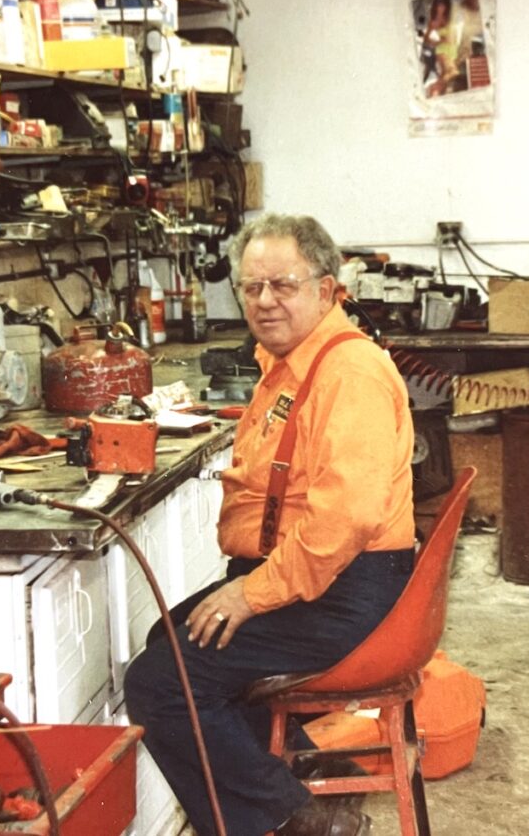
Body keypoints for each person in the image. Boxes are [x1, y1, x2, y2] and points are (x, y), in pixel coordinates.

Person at [124, 213, 416, 836]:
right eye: (251, 287)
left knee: (161, 683)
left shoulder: (349, 372)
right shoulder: (290, 363)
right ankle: (296, 786)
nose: (264, 301)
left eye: (282, 285)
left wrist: (250, 594)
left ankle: (290, 821)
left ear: (327, 289)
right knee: (167, 641)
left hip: (349, 589)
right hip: (328, 576)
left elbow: (346, 519)